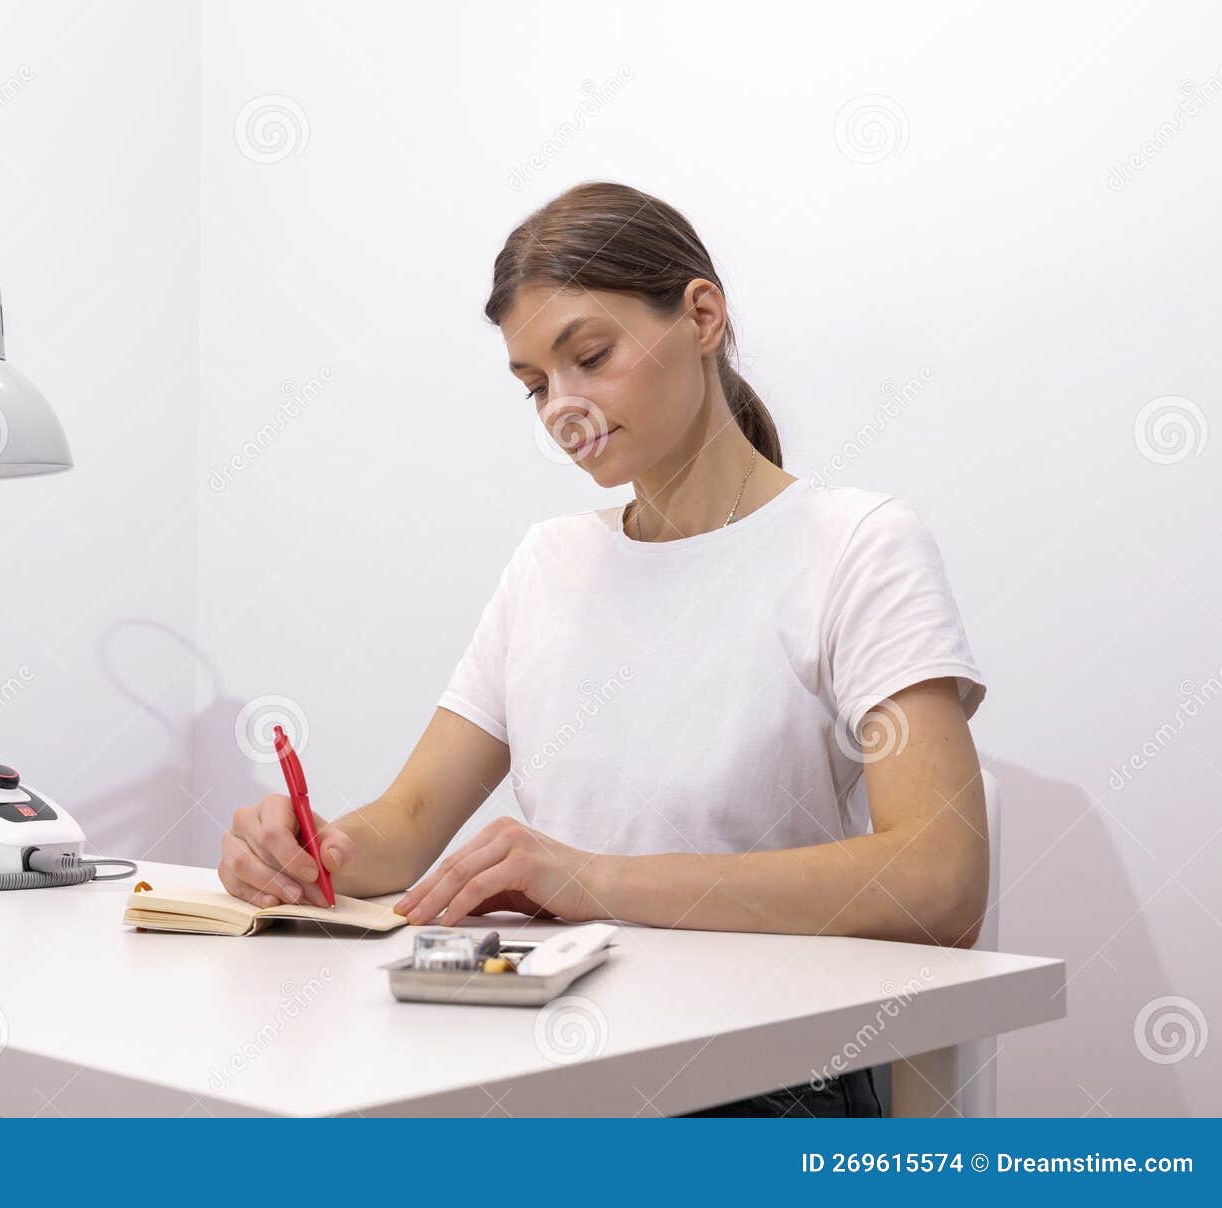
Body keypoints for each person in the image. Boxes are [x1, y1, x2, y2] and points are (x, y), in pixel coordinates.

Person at [218, 181, 989, 1117]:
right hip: (545, 1051)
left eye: (591, 356)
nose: (562, 409)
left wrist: (593, 882)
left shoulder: (856, 544)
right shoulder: (550, 562)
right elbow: (407, 825)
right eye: (536, 385)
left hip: (756, 1078)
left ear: (702, 316)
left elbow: (941, 880)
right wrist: (315, 850)